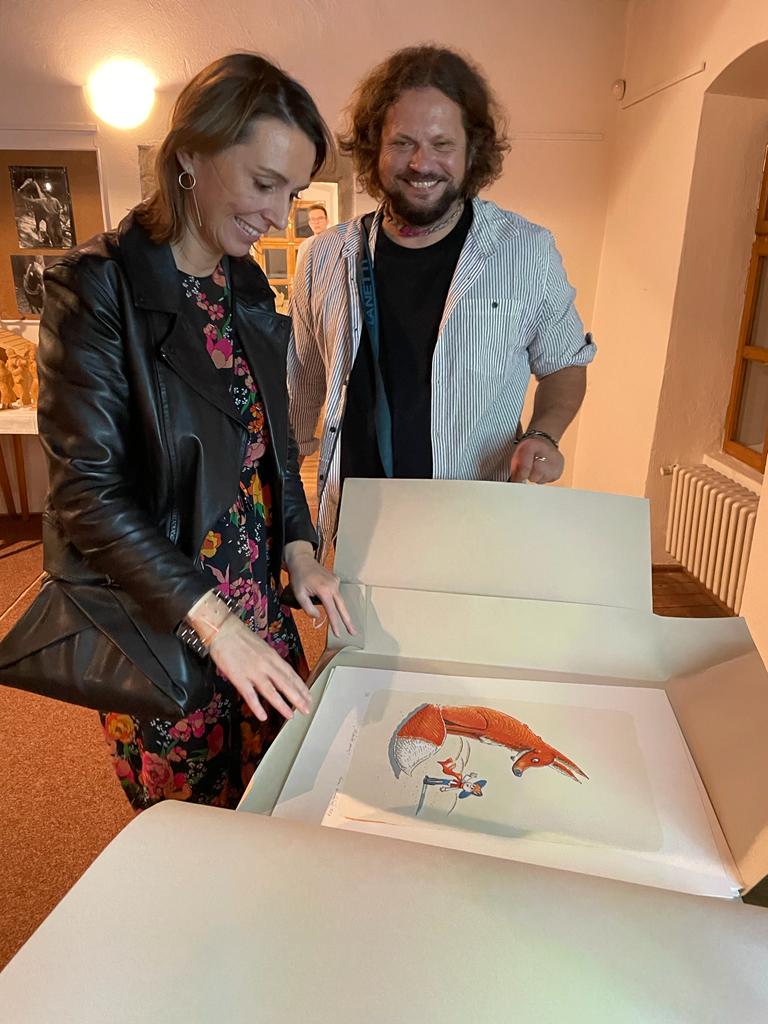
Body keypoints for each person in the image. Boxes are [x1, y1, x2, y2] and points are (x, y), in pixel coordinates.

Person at [32, 53, 352, 810]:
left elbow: (273, 444)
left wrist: (300, 547)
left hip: (256, 608)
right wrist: (215, 624)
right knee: (193, 830)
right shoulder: (98, 286)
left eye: (292, 192)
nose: (279, 215)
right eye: (264, 183)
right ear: (190, 156)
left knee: (276, 801)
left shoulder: (246, 284)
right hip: (165, 619)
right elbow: (87, 495)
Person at [289, 46, 597, 558]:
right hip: (355, 532)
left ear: (472, 151)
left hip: (475, 531)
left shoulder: (527, 251)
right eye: (402, 142)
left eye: (442, 144)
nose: (421, 163)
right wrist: (285, 521)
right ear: (374, 147)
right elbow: (296, 397)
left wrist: (545, 435)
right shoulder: (324, 258)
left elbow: (565, 362)